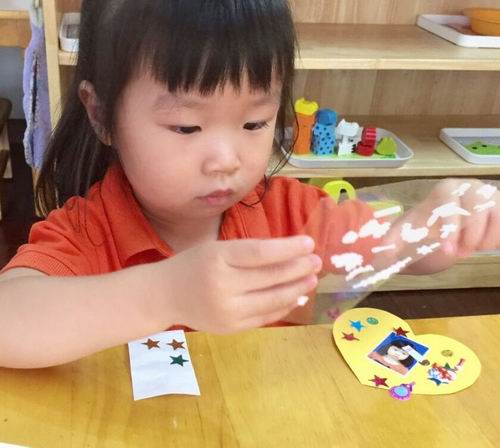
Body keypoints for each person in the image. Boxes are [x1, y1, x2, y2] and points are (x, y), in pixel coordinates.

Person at [0, 0, 499, 369]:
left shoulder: (293, 217)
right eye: (187, 127)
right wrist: (164, 294)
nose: (227, 160)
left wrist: (432, 226)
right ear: (101, 114)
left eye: (255, 123)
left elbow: (389, 250)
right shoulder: (89, 233)